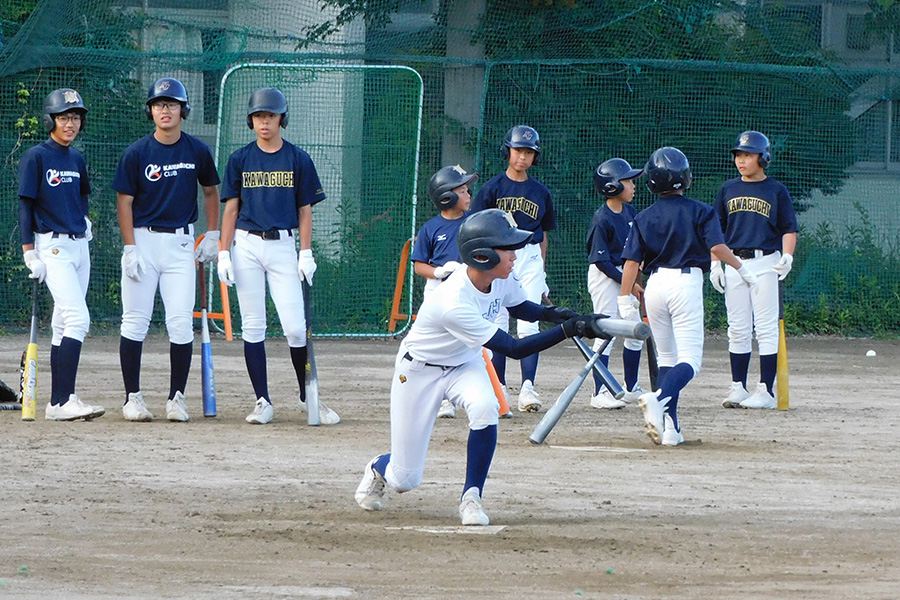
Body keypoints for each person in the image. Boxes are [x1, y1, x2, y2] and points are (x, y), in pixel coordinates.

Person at [354, 209, 602, 525]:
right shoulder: (453, 302)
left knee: (486, 406)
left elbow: (522, 307)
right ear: (482, 256)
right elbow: (514, 348)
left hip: (464, 364)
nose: (515, 254)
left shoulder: (500, 277)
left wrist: (563, 315)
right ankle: (379, 466)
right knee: (405, 480)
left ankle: (472, 497)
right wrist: (572, 330)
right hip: (419, 371)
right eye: (506, 247)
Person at [619, 147, 758, 446]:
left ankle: (671, 429)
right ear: (685, 177)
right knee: (691, 361)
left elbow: (631, 263)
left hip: (655, 287)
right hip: (685, 284)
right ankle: (659, 399)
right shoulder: (701, 210)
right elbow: (718, 248)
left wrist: (623, 298)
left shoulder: (643, 217)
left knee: (667, 359)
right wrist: (742, 268)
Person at [217, 87, 339, 425]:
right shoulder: (240, 158)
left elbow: (305, 210)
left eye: (270, 115)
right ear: (251, 120)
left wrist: (306, 251)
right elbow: (230, 209)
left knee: (296, 329)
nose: (264, 122)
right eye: (258, 116)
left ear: (281, 119)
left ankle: (307, 396)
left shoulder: (298, 158)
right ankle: (262, 401)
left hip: (283, 244)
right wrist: (223, 253)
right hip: (247, 244)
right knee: (253, 326)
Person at [113, 77, 221, 422]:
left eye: (172, 104)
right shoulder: (137, 152)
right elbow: (124, 202)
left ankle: (176, 397)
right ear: (151, 111)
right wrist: (130, 247)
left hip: (180, 242)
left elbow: (210, 192)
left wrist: (214, 233)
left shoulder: (196, 150)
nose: (165, 110)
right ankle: (132, 397)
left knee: (178, 324)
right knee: (135, 322)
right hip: (143, 241)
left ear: (183, 110)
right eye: (159, 105)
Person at [18, 88, 104, 421]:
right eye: (65, 117)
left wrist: (84, 219)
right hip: (51, 247)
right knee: (78, 319)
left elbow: (82, 196)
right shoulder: (37, 157)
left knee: (61, 323)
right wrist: (29, 252)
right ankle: (65, 398)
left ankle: (56, 403)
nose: (71, 123)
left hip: (79, 245)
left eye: (76, 117)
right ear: (51, 120)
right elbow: (25, 205)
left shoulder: (76, 158)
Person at [471, 125, 556, 413]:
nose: (523, 157)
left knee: (528, 323)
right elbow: (476, 227)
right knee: (496, 320)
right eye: (518, 150)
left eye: (529, 152)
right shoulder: (492, 188)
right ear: (507, 151)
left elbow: (543, 236)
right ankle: (499, 388)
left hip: (529, 256)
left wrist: (542, 272)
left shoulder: (541, 192)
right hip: (498, 255)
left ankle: (528, 387)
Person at [711, 131, 798, 410]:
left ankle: (765, 390)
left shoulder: (776, 190)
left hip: (765, 262)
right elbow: (715, 231)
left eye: (748, 154)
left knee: (766, 328)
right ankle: (738, 386)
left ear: (764, 157)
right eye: (738, 154)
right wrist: (715, 263)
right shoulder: (728, 189)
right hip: (735, 262)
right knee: (737, 328)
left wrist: (787, 256)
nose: (741, 160)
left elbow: (789, 228)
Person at [412, 164, 476, 419]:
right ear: (446, 197)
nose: (469, 194)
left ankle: (477, 393)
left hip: (467, 290)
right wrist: (438, 272)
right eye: (462, 190)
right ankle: (441, 399)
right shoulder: (430, 228)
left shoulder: (473, 224)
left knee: (469, 344)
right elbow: (419, 266)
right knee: (438, 345)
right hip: (438, 290)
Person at [586, 158, 646, 410]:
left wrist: (636, 276)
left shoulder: (631, 213)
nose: (633, 185)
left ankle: (631, 387)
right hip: (605, 276)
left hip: (626, 274)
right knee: (606, 331)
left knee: (634, 330)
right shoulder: (602, 218)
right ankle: (600, 391)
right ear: (612, 187)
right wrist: (629, 283)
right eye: (628, 181)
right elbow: (601, 262)